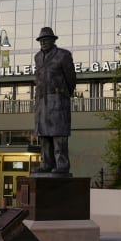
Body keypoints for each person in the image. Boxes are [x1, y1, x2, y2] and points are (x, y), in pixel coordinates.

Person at [32, 27, 77, 174]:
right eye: (41, 40)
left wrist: (62, 95)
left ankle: (62, 165)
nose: (43, 42)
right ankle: (46, 163)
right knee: (44, 136)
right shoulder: (37, 57)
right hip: (42, 102)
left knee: (59, 135)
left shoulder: (63, 55)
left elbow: (71, 79)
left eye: (46, 40)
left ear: (53, 40)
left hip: (58, 101)